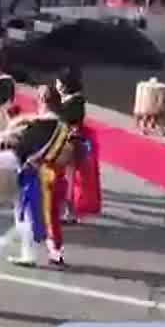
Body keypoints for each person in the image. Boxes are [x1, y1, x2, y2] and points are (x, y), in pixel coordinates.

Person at [0, 88, 80, 269]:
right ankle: (55, 253)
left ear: (42, 100)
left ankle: (28, 254)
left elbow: (22, 149)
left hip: (37, 175)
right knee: (51, 217)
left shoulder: (38, 126)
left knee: (27, 214)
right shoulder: (64, 127)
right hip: (57, 175)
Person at [57, 66, 101, 222]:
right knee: (70, 179)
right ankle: (67, 210)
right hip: (71, 142)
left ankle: (69, 212)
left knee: (70, 179)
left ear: (63, 85)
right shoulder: (75, 100)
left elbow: (66, 121)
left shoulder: (74, 103)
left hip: (72, 144)